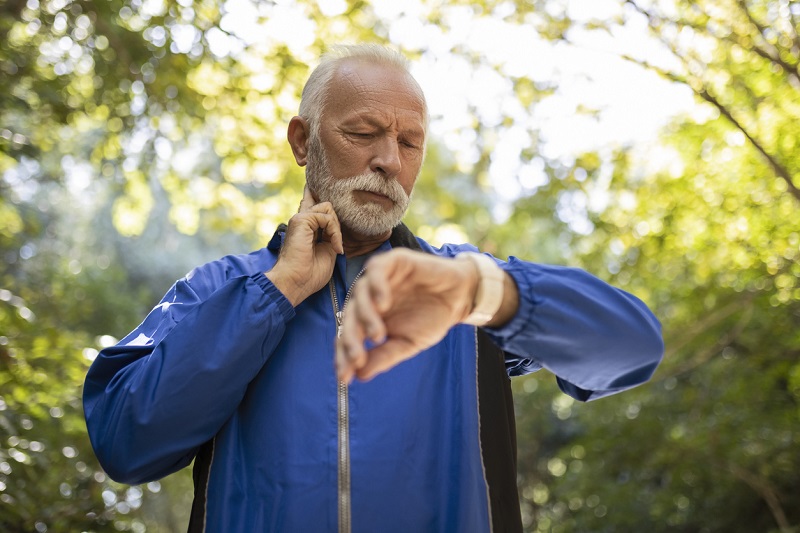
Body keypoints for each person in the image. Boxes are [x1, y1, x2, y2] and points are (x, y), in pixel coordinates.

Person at [83, 44, 664, 533]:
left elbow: (634, 349)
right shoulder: (221, 289)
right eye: (363, 133)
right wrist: (276, 292)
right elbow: (126, 443)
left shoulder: (461, 287)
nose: (388, 160)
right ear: (302, 142)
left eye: (410, 143)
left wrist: (485, 291)